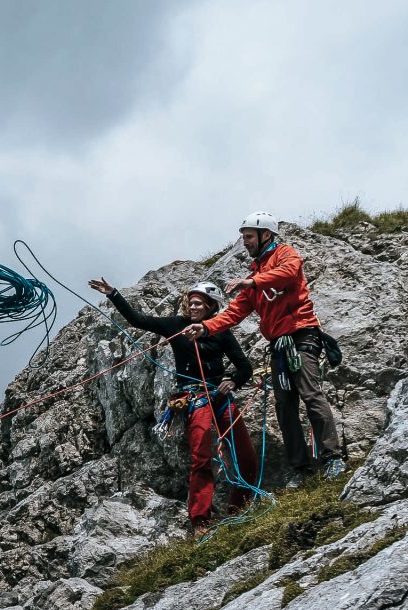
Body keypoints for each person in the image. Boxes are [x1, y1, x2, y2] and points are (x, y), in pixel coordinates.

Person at [88, 277, 259, 535]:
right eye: (191, 303)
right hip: (195, 398)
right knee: (201, 457)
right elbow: (137, 320)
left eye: (199, 304)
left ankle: (239, 509)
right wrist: (113, 294)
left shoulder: (220, 330)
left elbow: (245, 367)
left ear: (211, 307)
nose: (193, 307)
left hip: (219, 397)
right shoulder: (176, 325)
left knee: (246, 456)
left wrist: (233, 381)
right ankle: (201, 522)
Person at [183, 211, 345, 481]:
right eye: (244, 237)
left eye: (248, 237)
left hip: (302, 336)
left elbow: (290, 271)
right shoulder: (255, 276)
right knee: (284, 405)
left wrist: (253, 281)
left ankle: (332, 458)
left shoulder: (284, 254)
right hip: (279, 345)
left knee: (310, 394)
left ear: (265, 235)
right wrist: (206, 327)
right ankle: (300, 468)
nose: (245, 242)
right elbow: (234, 312)